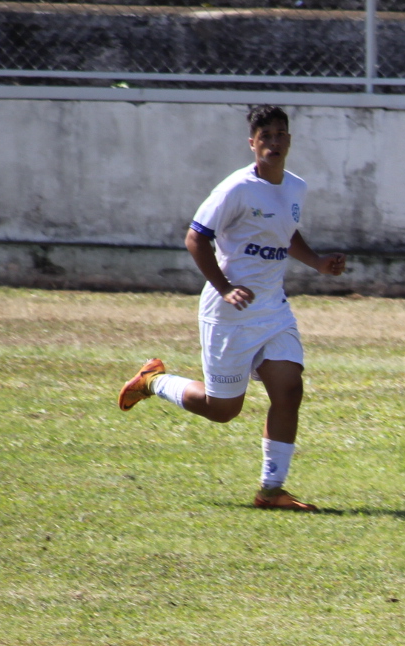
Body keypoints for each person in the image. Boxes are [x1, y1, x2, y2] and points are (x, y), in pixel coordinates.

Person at [115, 104, 346, 512]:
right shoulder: (235, 189)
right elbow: (195, 238)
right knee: (223, 410)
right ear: (252, 143)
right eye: (266, 136)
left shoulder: (295, 187)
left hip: (272, 308)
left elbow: (285, 233)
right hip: (229, 312)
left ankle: (271, 491)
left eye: (280, 134)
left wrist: (318, 263)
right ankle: (153, 380)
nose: (274, 142)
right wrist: (223, 288)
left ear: (289, 140)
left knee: (289, 389)